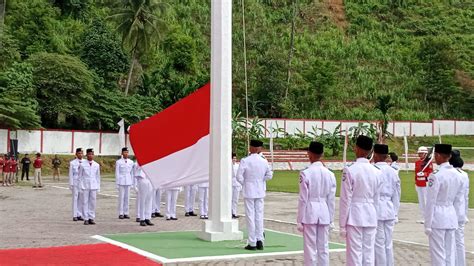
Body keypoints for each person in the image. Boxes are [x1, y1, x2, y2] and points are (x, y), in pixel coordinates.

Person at [339, 135, 382, 265]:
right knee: (368, 253)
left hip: (355, 215)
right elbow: (377, 198)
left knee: (354, 253)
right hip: (370, 214)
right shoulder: (377, 171)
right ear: (370, 151)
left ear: (356, 149)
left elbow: (345, 199)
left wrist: (342, 224)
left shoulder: (350, 170)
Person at [297, 141, 336, 266]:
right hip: (324, 210)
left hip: (310, 211)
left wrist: (299, 219)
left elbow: (303, 199)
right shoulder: (330, 174)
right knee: (323, 247)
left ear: (309, 154)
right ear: (322, 154)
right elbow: (331, 199)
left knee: (310, 248)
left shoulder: (306, 173)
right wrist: (331, 218)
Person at [424, 144, 464, 266]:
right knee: (449, 253)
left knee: (438, 254)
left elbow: (430, 201)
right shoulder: (458, 174)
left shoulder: (435, 175)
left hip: (438, 217)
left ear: (438, 155)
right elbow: (458, 200)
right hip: (451, 216)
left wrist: (427, 224)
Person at [237, 139, 273, 251]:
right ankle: (260, 240)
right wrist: (261, 181)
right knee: (259, 216)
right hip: (260, 190)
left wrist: (246, 183)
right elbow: (269, 175)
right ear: (259, 149)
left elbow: (239, 176)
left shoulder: (245, 160)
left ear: (251, 148)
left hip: (249, 190)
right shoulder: (264, 161)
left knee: (250, 216)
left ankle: (252, 242)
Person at [373, 144, 401, 266]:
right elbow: (397, 194)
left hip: (377, 207)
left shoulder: (373, 170)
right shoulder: (393, 171)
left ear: (376, 155)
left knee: (378, 243)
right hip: (389, 207)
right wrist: (395, 212)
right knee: (388, 242)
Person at [449, 150, 469, 266]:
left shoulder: (452, 174)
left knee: (450, 241)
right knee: (459, 241)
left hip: (451, 210)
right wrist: (465, 213)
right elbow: (466, 196)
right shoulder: (464, 174)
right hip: (460, 210)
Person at [79, 148, 101, 225]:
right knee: (85, 202)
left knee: (93, 202)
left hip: (93, 185)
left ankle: (91, 217)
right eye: (89, 154)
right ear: (86, 155)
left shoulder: (96, 165)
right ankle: (86, 218)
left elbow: (98, 177)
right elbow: (80, 177)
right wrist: (80, 187)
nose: (90, 155)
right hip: (85, 185)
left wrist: (98, 187)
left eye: (92, 154)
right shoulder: (82, 164)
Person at [414, 146, 433, 224]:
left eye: (421, 153)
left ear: (425, 154)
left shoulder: (429, 162)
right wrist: (415, 181)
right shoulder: (417, 162)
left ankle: (428, 218)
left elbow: (430, 173)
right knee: (421, 202)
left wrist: (424, 174)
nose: (420, 155)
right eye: (419, 153)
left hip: (425, 184)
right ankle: (423, 217)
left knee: (426, 201)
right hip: (418, 184)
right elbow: (415, 173)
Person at [115, 147, 134, 219]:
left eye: (127, 152)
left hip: (128, 181)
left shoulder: (131, 162)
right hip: (121, 181)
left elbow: (131, 173)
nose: (126, 153)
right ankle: (120, 213)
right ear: (122, 153)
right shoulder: (119, 162)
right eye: (124, 152)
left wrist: (132, 182)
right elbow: (117, 173)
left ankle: (126, 213)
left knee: (127, 198)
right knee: (121, 198)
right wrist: (117, 183)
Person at [134, 162, 154, 226]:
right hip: (142, 179)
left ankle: (147, 218)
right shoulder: (138, 161)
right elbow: (137, 168)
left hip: (150, 179)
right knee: (142, 200)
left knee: (149, 200)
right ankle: (142, 218)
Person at [69, 148, 84, 221]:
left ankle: (79, 214)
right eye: (79, 153)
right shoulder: (72, 163)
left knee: (81, 199)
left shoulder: (85, 162)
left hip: (82, 183)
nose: (80, 154)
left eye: (81, 153)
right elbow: (71, 174)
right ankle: (75, 215)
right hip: (75, 182)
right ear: (76, 154)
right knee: (75, 198)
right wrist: (71, 184)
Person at [232, 152, 242, 219]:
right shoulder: (228, 165)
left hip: (237, 184)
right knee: (230, 199)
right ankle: (229, 212)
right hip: (231, 184)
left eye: (235, 158)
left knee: (235, 199)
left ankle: (234, 212)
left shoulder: (237, 165)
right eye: (233, 158)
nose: (234, 159)